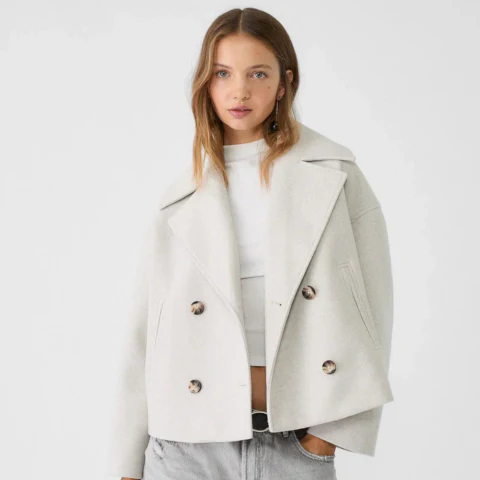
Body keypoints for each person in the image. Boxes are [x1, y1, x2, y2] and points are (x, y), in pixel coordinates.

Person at [106, 7, 395, 480]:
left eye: (257, 73)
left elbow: (374, 314)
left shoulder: (335, 175)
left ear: (284, 82)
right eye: (223, 73)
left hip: (295, 446)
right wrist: (126, 467)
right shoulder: (178, 200)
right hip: (185, 449)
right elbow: (143, 337)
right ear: (206, 84)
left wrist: (330, 435)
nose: (239, 91)